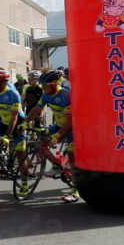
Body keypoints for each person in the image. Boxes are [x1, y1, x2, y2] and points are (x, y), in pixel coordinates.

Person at [25, 70, 77, 202]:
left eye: (45, 85)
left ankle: (75, 191)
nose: (43, 88)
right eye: (42, 85)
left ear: (54, 84)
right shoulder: (46, 95)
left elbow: (70, 121)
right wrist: (24, 122)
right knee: (41, 141)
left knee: (72, 154)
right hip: (59, 124)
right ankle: (57, 164)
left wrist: (57, 136)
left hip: (73, 126)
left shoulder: (66, 95)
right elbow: (36, 109)